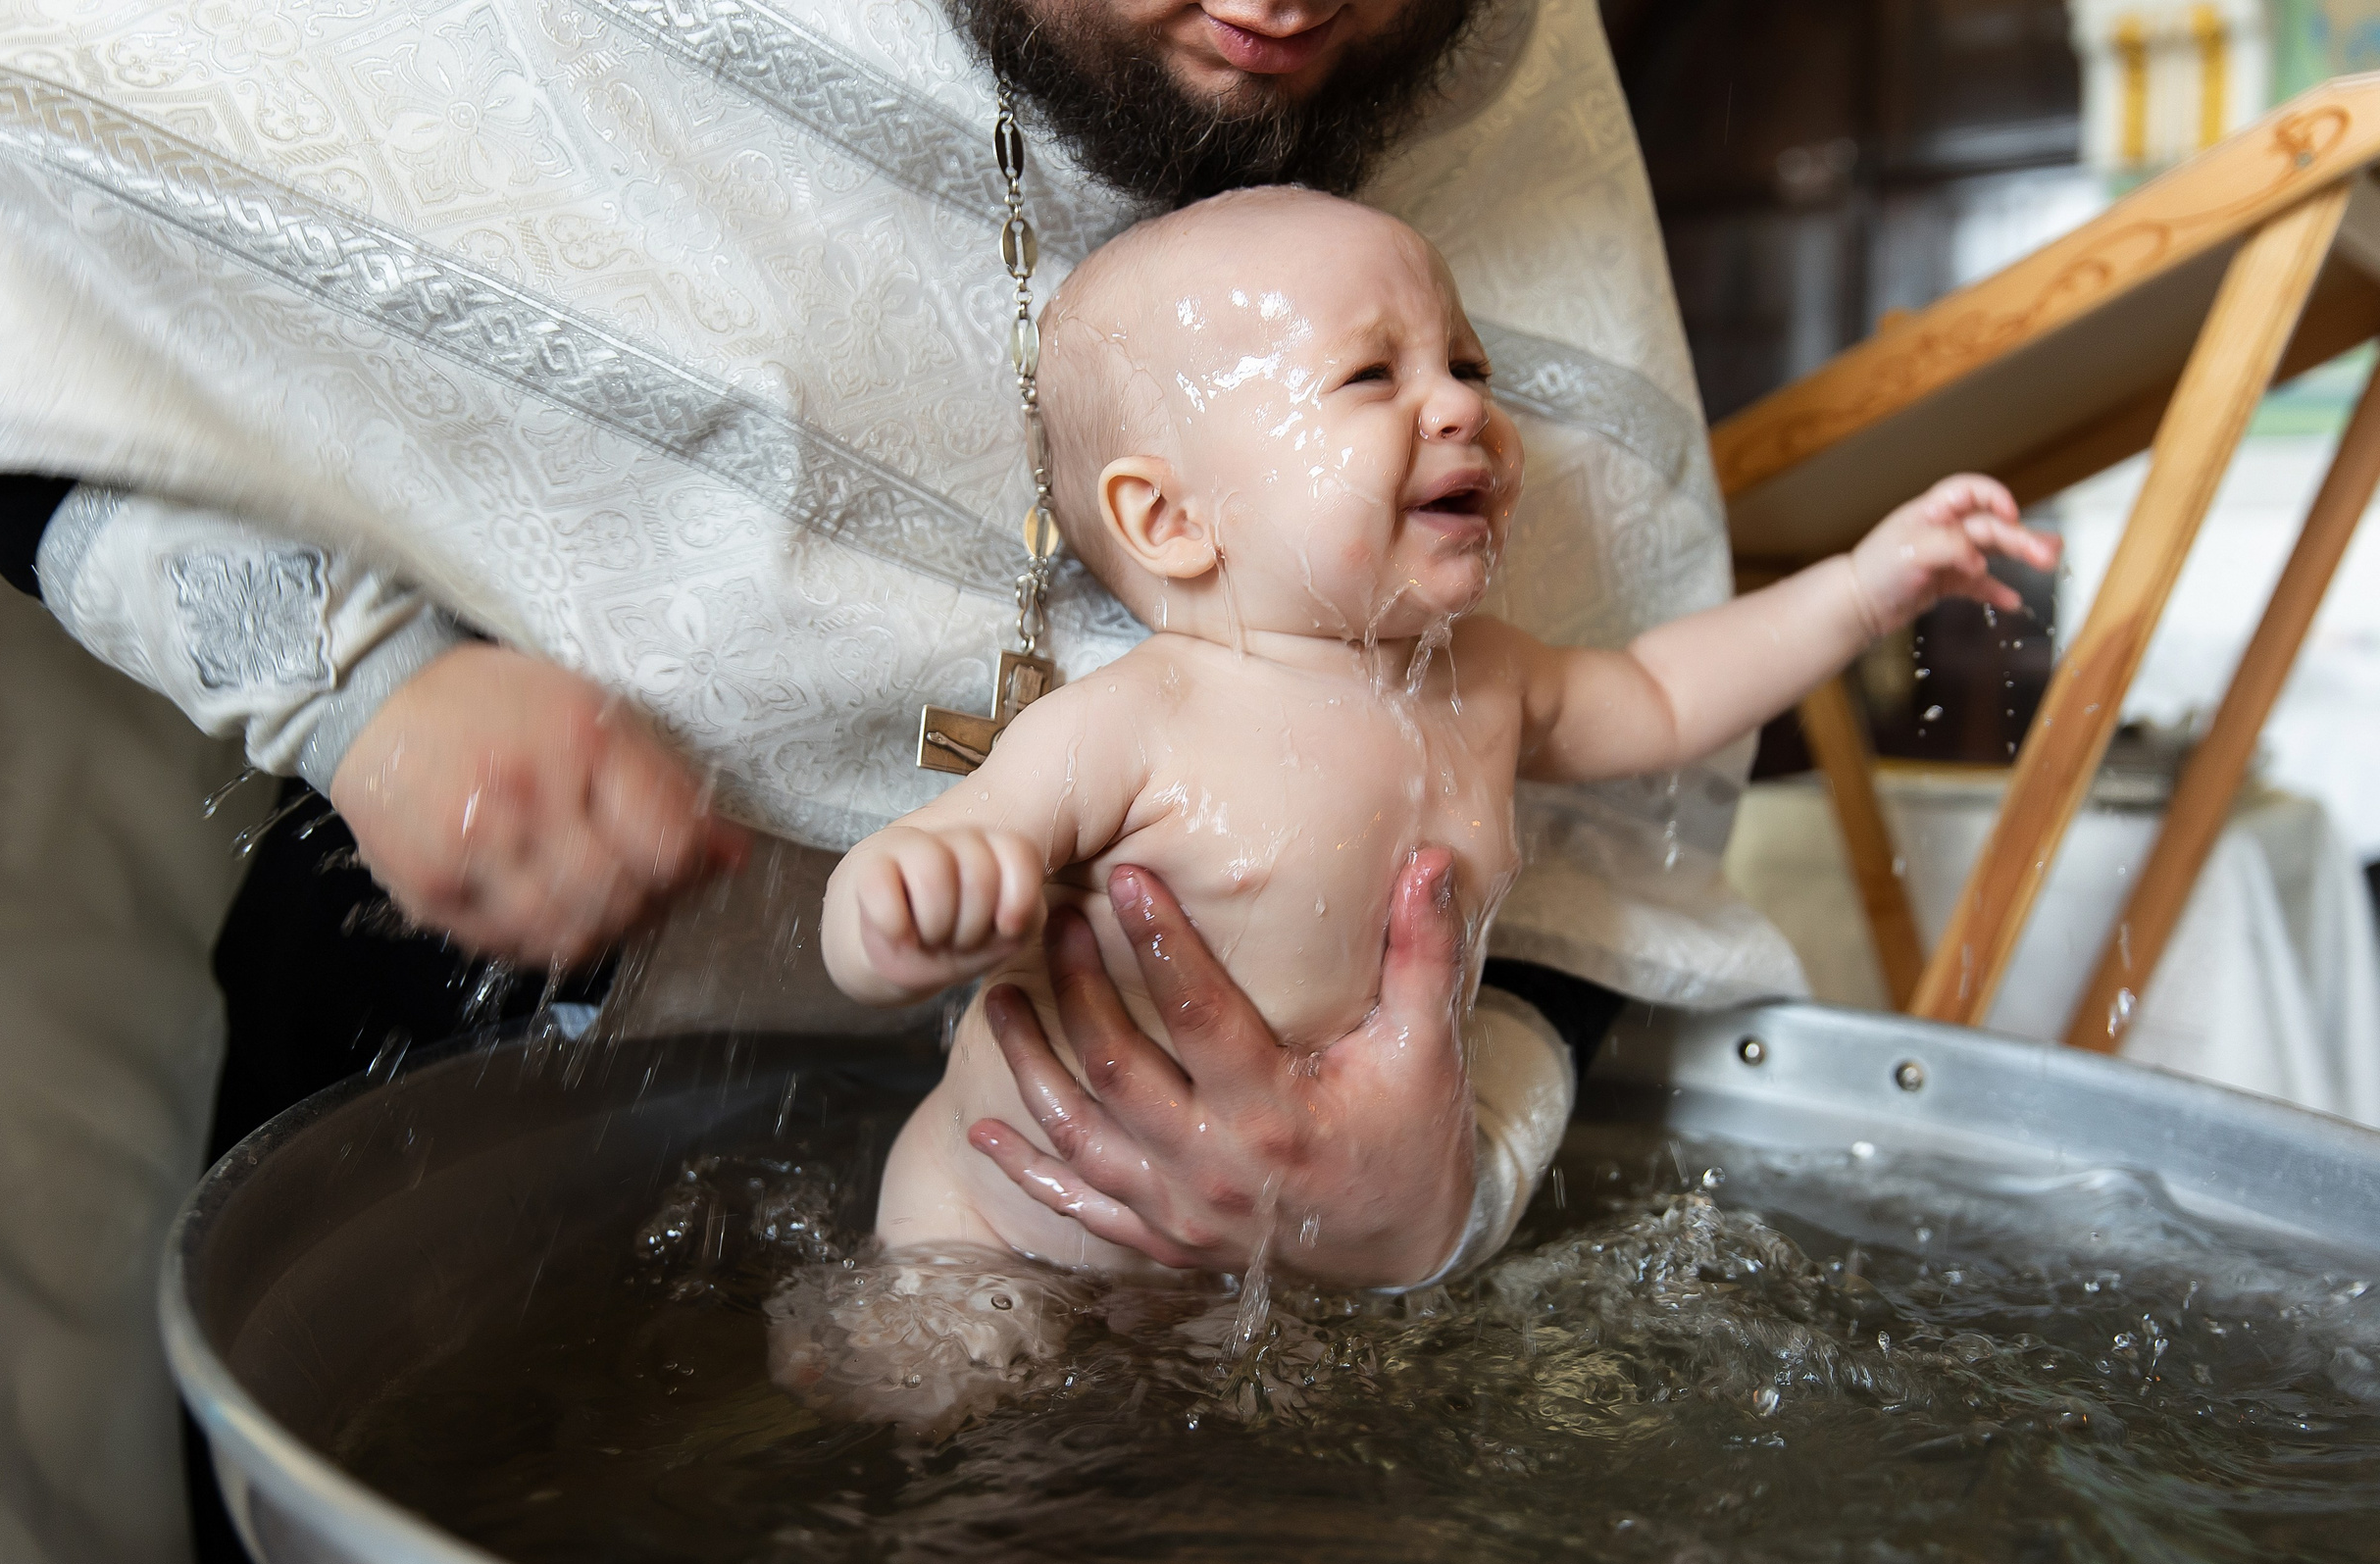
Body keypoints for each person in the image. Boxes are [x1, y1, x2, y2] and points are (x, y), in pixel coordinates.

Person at [0, 0, 1800, 1564]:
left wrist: (1438, 1153)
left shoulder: (1496, 63)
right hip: (479, 1083)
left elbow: (1585, 759)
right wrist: (366, 684)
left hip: (1271, 1322)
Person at [828, 189, 2055, 1288]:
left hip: (1265, 1255)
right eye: (1372, 377)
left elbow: (1667, 697)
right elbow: (909, 877)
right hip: (990, 1238)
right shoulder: (1130, 722)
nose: (1462, 404)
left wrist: (1861, 589)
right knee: (949, 1466)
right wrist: (907, 907)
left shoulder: (1486, 680)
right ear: (1169, 516)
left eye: (1466, 363)